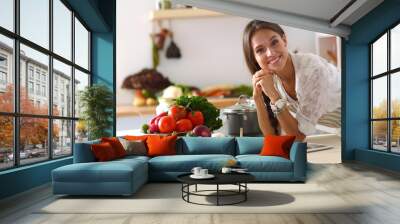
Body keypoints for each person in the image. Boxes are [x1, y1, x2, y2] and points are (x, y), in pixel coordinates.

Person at [243, 20, 341, 141]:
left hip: (353, 130)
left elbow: (299, 136)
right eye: (260, 50)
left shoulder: (312, 70)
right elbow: (272, 136)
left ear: (284, 40)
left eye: (274, 42)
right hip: (326, 136)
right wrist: (257, 97)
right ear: (254, 57)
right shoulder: (270, 78)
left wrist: (274, 95)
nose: (270, 53)